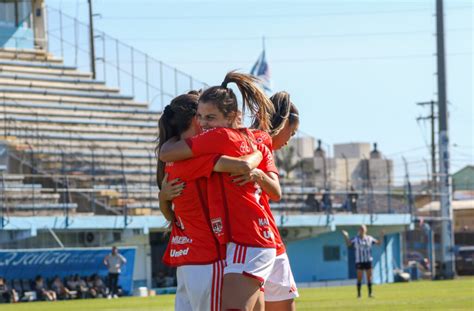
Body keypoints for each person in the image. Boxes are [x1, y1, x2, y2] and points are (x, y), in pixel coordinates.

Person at [159, 71, 278, 311]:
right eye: (201, 117)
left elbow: (166, 155)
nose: (204, 123)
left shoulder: (208, 145)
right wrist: (257, 156)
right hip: (232, 245)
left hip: (228, 247)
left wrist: (252, 164)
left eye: (210, 117)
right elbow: (262, 147)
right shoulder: (241, 138)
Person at [251, 91, 300, 311]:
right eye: (292, 132)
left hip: (249, 243)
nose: (289, 140)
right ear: (283, 123)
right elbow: (275, 193)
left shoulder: (245, 140)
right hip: (265, 241)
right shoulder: (260, 143)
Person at [342, 225, 384, 298]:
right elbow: (348, 244)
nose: (362, 230)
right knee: (359, 278)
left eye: (363, 229)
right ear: (359, 230)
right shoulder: (356, 239)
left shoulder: (369, 238)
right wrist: (346, 236)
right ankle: (359, 294)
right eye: (361, 229)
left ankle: (370, 294)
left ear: (366, 230)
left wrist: (381, 235)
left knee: (369, 277)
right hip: (359, 261)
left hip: (368, 260)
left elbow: (379, 243)